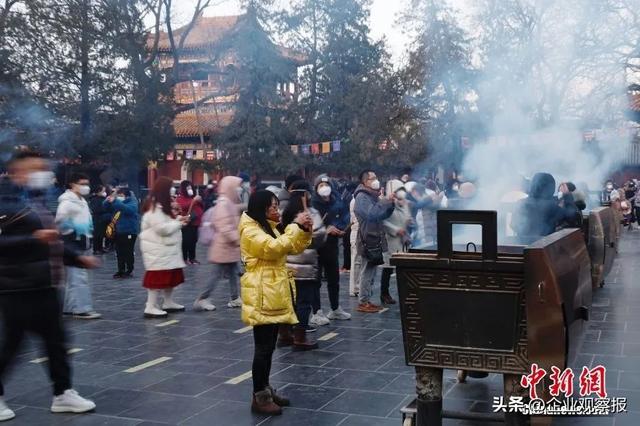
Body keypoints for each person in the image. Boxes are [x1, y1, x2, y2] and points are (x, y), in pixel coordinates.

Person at [0, 151, 98, 421]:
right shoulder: (5, 204)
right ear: (17, 173)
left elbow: (52, 240)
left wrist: (77, 258)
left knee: (57, 343)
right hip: (16, 288)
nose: (42, 174)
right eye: (35, 169)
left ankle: (63, 393)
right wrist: (35, 239)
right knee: (11, 346)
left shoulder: (36, 201)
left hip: (44, 285)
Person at [239, 190, 312, 415]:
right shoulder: (250, 229)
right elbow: (273, 248)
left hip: (272, 289)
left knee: (269, 347)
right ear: (260, 207)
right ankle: (259, 397)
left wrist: (304, 229)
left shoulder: (265, 225)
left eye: (277, 206)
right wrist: (294, 226)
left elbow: (292, 246)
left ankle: (266, 390)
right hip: (262, 291)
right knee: (262, 348)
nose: (276, 210)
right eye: (272, 206)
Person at [280, 180, 326, 349]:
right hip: (305, 266)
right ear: (306, 195)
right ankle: (299, 337)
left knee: (288, 301)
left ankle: (285, 335)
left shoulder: (283, 212)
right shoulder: (310, 213)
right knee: (304, 302)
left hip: (286, 266)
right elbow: (320, 236)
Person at [139, 177, 188, 318]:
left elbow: (167, 222)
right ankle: (150, 306)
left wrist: (178, 219)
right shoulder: (154, 207)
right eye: (171, 187)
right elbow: (161, 228)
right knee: (157, 278)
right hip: (158, 249)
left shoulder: (162, 205)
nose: (174, 190)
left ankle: (168, 302)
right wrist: (179, 224)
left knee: (171, 276)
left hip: (167, 249)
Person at [193, 176, 243, 312]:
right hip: (223, 246)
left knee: (233, 273)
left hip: (229, 247)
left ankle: (234, 298)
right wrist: (237, 239)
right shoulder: (223, 203)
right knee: (215, 275)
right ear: (230, 187)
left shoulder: (230, 202)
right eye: (237, 186)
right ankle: (202, 299)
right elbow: (224, 226)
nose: (239, 189)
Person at [55, 173, 101, 319]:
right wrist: (73, 232)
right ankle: (82, 309)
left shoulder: (82, 201)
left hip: (83, 242)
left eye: (86, 183)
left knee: (73, 278)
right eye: (82, 183)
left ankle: (69, 307)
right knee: (79, 278)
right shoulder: (67, 203)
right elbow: (60, 223)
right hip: (72, 243)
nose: (85, 187)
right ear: (72, 184)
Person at [310, 175, 352, 325]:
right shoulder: (312, 203)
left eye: (326, 184)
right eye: (320, 185)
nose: (324, 187)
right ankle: (316, 312)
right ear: (316, 188)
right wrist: (325, 229)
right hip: (316, 246)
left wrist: (341, 228)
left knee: (334, 278)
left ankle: (335, 309)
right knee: (315, 281)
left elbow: (343, 216)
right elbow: (310, 225)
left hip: (332, 245)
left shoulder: (336, 200)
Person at [353, 170, 395, 313]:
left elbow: (382, 214)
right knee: (367, 270)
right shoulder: (362, 197)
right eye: (373, 178)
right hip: (367, 238)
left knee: (371, 271)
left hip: (375, 237)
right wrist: (384, 201)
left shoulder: (372, 196)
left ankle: (367, 300)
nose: (376, 180)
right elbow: (371, 214)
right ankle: (363, 302)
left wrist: (390, 204)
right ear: (365, 182)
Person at [512, 172, 580, 242]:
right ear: (550, 188)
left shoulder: (521, 203)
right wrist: (567, 195)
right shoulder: (551, 207)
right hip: (543, 247)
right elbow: (573, 215)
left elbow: (513, 225)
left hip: (520, 246)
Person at [380, 180, 412, 305]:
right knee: (388, 268)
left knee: (402, 267)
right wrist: (395, 230)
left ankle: (404, 291)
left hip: (403, 240)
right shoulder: (387, 204)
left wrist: (409, 222)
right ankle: (384, 293)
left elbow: (407, 217)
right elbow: (383, 221)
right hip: (392, 239)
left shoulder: (405, 204)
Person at [104, 187, 140, 278]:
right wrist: (108, 200)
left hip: (129, 231)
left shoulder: (132, 202)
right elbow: (105, 207)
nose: (119, 197)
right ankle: (120, 270)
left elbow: (128, 210)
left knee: (128, 251)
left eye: (121, 195)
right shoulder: (116, 203)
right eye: (118, 195)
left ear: (126, 196)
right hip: (118, 230)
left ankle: (129, 270)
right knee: (119, 252)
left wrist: (116, 201)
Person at [175, 180, 204, 264]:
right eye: (188, 188)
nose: (190, 189)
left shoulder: (192, 197)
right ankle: (184, 258)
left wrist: (199, 200)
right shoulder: (180, 198)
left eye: (190, 187)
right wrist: (193, 201)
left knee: (194, 241)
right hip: (187, 223)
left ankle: (192, 258)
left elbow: (200, 206)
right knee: (186, 241)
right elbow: (182, 206)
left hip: (195, 223)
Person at [88, 185, 110, 254]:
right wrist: (104, 207)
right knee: (97, 235)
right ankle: (96, 249)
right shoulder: (94, 199)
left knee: (101, 234)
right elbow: (96, 209)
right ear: (98, 192)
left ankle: (100, 248)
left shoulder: (103, 198)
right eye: (103, 191)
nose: (104, 193)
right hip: (97, 219)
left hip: (103, 219)